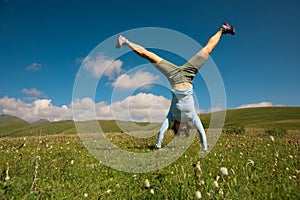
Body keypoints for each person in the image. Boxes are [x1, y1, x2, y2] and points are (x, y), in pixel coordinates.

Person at [115, 22, 235, 151]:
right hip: (189, 74)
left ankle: (125, 41)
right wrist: (204, 148)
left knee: (148, 55)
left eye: (177, 129)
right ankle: (222, 30)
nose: (180, 128)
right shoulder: (192, 116)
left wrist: (158, 145)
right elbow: (201, 131)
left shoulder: (172, 115)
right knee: (207, 50)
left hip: (174, 76)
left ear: (175, 127)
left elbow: (163, 129)